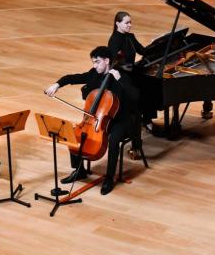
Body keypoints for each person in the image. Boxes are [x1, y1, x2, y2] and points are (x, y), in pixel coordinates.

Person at [44, 46, 139, 195]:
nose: (94, 65)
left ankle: (109, 178)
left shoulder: (121, 76)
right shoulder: (94, 74)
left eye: (97, 62)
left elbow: (135, 96)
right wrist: (57, 84)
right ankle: (79, 170)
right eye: (93, 62)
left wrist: (121, 81)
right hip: (98, 119)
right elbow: (73, 78)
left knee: (113, 140)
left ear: (107, 61)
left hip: (121, 119)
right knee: (76, 134)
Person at [107, 11, 149, 159]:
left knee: (141, 104)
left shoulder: (130, 37)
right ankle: (136, 145)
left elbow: (143, 51)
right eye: (127, 23)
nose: (130, 25)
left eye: (131, 22)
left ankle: (146, 121)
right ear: (117, 23)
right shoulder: (114, 41)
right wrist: (129, 69)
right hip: (122, 80)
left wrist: (161, 44)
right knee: (134, 113)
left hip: (131, 75)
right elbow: (114, 64)